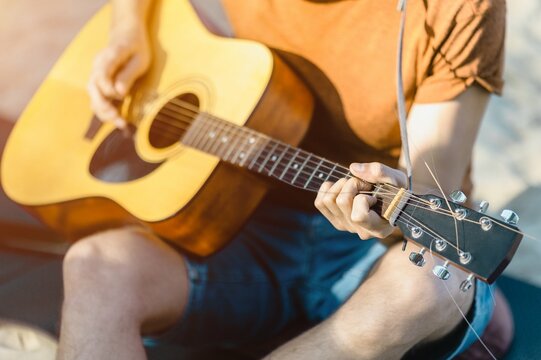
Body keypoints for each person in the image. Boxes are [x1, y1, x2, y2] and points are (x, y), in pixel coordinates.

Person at [59, 0, 506, 359]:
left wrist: (390, 211)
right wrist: (128, 28)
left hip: (367, 251)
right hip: (234, 223)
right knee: (95, 266)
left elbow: (429, 188)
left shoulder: (459, 7)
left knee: (431, 284)